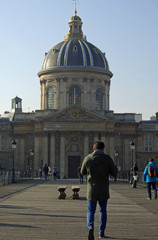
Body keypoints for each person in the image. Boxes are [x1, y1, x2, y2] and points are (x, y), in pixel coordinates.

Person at [81, 141, 116, 240]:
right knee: (103, 211)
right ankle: (101, 233)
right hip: (103, 189)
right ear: (103, 149)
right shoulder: (108, 158)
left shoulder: (88, 158)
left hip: (92, 189)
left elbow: (82, 172)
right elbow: (113, 173)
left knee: (90, 210)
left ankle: (90, 226)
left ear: (93, 149)